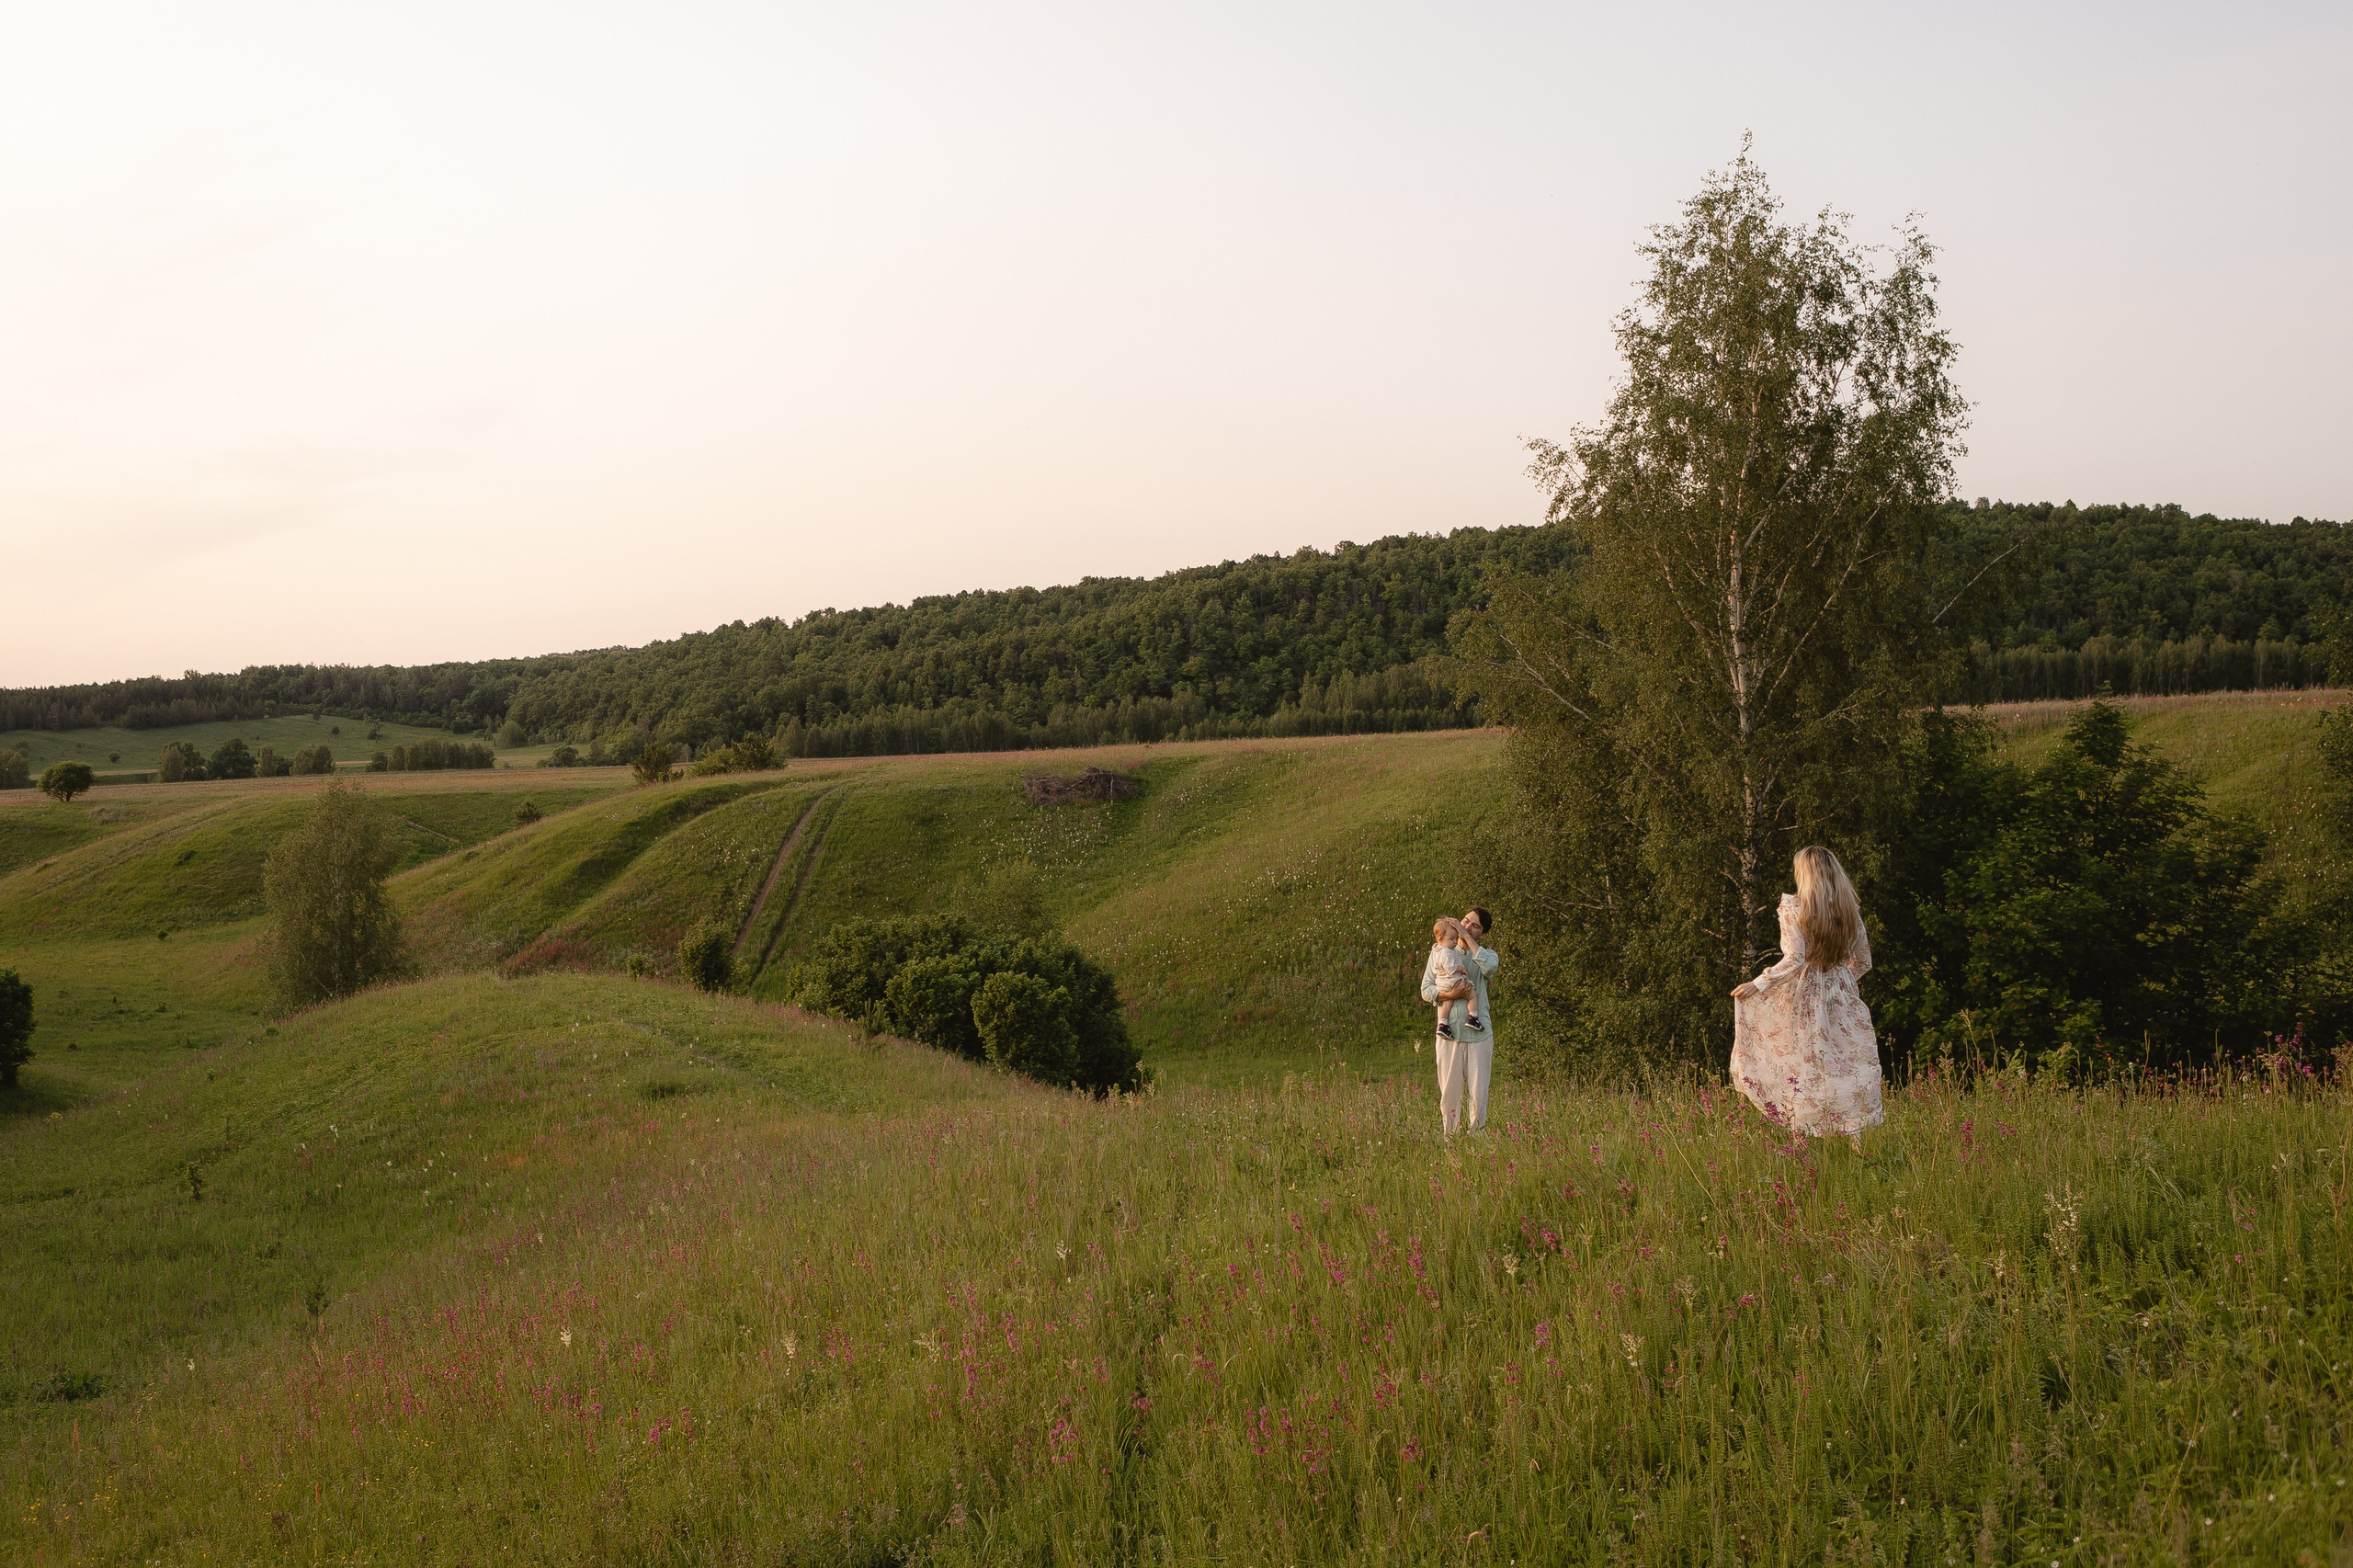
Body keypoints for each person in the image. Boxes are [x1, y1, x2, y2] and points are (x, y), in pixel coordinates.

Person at [1729, 846, 1882, 1147]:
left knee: (1803, 1064)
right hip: (1842, 997)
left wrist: (1759, 983)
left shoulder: (1796, 908)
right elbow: (1863, 961)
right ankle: (1857, 1147)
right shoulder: (1849, 911)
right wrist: (1841, 983)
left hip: (1805, 995)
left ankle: (1802, 1145)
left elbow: (1795, 958)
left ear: (1806, 875)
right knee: (1845, 1065)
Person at [1419, 906, 1497, 1134]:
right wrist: (1450, 995)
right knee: (1449, 1094)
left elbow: (1490, 968)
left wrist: (1466, 938)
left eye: (1475, 925)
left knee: (1479, 1094)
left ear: (1482, 933)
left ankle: (1477, 1139)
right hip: (1449, 1033)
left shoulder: (1486, 955)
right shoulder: (1440, 952)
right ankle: (1450, 1140)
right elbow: (1426, 990)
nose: (1467, 926)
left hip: (1479, 1037)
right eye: (1465, 921)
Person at [1427, 917, 1481, 1040]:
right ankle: (1473, 1018)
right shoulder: (1446, 952)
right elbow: (1450, 968)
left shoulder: (1437, 951)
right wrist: (1461, 969)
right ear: (1440, 939)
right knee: (1472, 995)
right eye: (1451, 939)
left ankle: (1442, 1024)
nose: (1455, 942)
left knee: (1447, 1003)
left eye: (1456, 938)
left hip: (1443, 983)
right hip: (1452, 980)